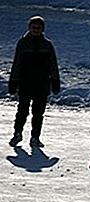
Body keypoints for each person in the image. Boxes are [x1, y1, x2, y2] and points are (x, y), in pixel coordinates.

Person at [8, 16, 61, 148]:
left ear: (42, 29)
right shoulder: (23, 43)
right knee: (22, 111)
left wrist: (55, 81)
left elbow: (53, 65)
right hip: (25, 83)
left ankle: (35, 137)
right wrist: (13, 82)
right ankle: (17, 133)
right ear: (29, 28)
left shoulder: (47, 45)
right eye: (33, 27)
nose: (36, 30)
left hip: (42, 84)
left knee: (38, 113)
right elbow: (17, 63)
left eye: (38, 28)